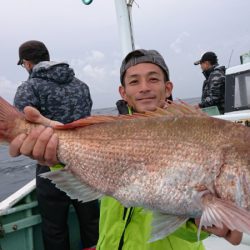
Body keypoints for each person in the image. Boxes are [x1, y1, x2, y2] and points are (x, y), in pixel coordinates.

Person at [10, 49, 242, 249]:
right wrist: (54, 154)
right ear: (123, 92)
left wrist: (200, 222)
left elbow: (187, 220)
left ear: (168, 87)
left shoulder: (199, 129)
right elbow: (84, 161)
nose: (144, 88)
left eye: (153, 79)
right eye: (134, 81)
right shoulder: (108, 129)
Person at [14, 40, 99, 250]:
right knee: (92, 222)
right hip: (86, 161)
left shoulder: (29, 88)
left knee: (55, 226)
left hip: (49, 161)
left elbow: (20, 125)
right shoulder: (81, 84)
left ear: (27, 63)